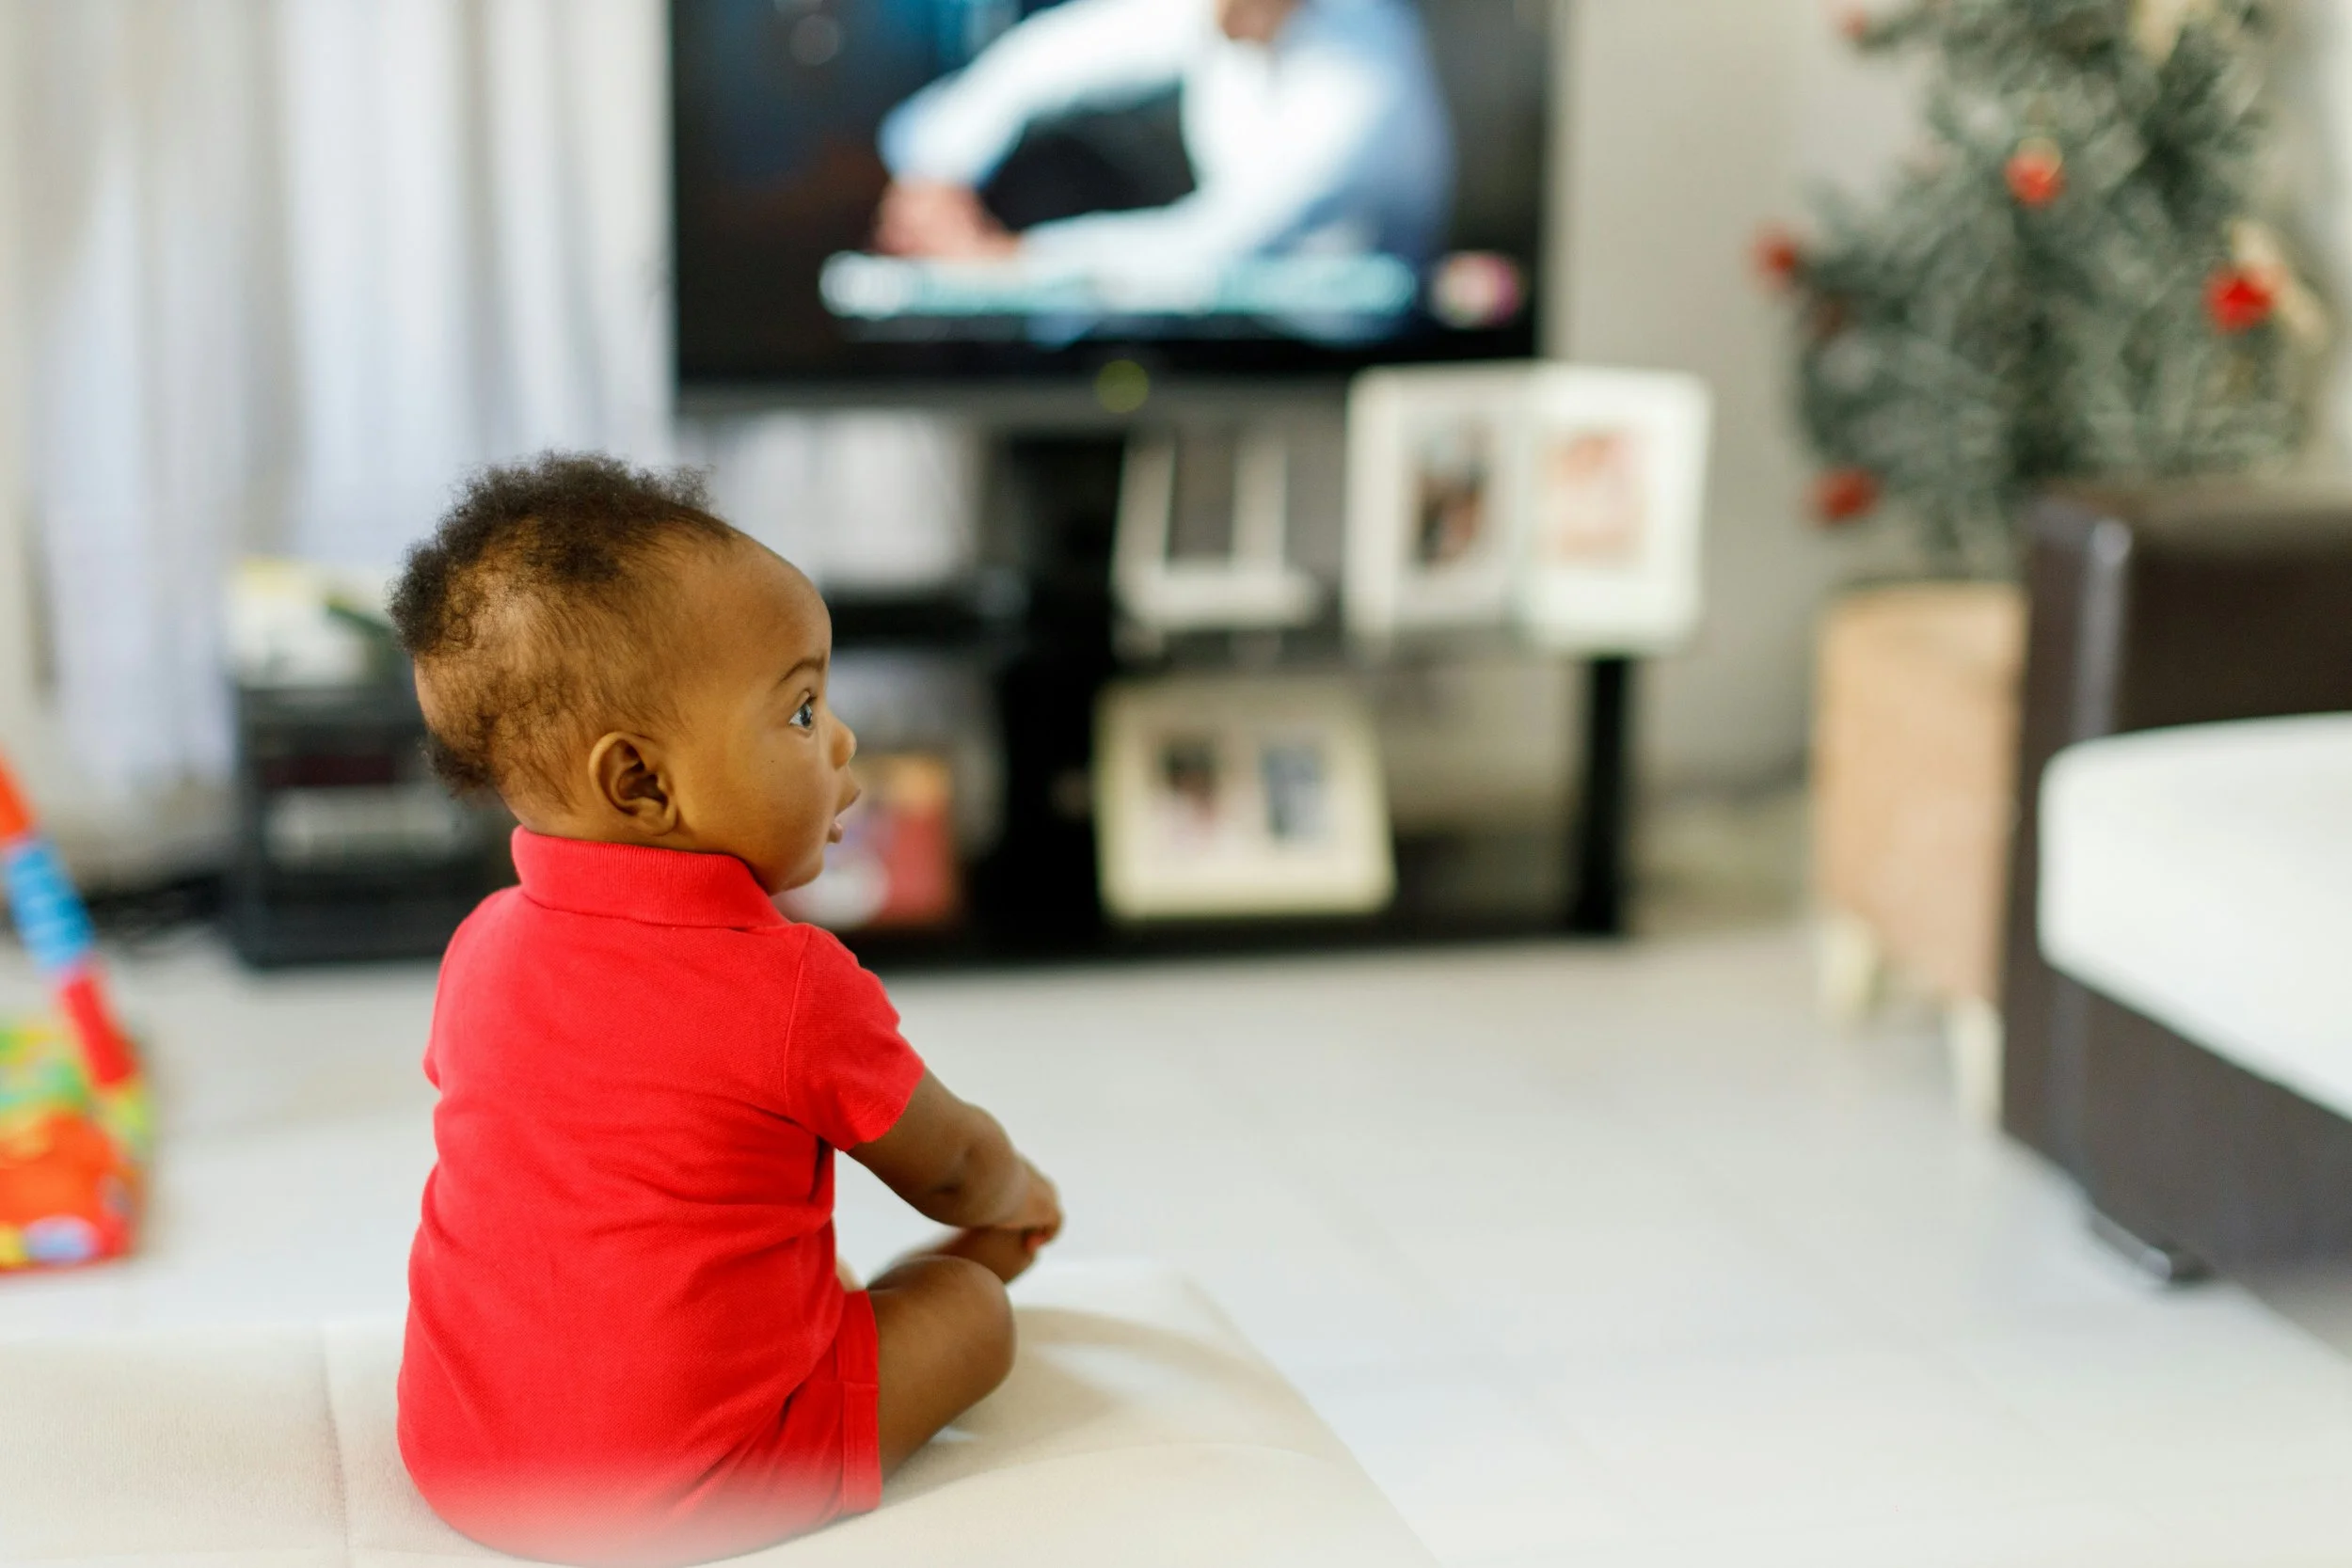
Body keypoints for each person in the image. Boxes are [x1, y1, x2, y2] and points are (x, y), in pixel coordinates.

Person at [389, 453, 1063, 1567]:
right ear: (643, 783)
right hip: (693, 1490)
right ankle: (874, 1327)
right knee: (969, 1310)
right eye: (800, 708)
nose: (841, 740)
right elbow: (943, 1165)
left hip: (459, 1456)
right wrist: (1012, 1192)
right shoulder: (788, 980)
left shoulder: (482, 947)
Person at [874, 0, 1453, 283]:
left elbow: (1216, 242)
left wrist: (1013, 262)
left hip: (1323, 353)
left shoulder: (1363, 90)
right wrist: (935, 170)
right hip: (1207, 310)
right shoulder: (1222, 10)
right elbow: (1060, 52)